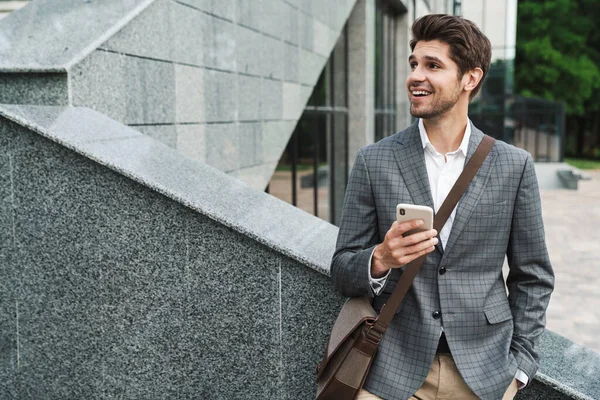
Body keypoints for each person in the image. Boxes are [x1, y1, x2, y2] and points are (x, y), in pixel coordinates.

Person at [330, 14, 554, 400]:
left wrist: (518, 370)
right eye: (414, 64)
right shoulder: (374, 160)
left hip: (483, 376)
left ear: (470, 78)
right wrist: (380, 258)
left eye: (433, 65)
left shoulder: (513, 165)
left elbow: (533, 276)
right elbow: (342, 267)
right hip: (387, 371)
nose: (416, 76)